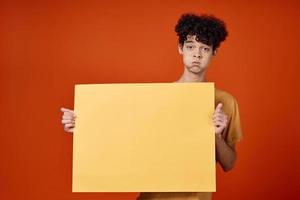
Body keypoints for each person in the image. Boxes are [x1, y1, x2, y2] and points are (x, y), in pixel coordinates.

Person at [61, 13, 242, 200]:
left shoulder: (225, 102)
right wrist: (82, 124)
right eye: (190, 47)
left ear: (214, 52)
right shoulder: (156, 98)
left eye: (204, 48)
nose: (196, 54)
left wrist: (217, 135)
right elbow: (122, 135)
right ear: (180, 49)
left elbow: (229, 164)